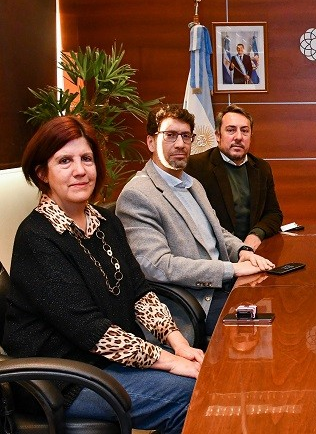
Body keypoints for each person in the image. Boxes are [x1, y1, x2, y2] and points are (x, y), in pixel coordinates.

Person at [4, 116, 199, 433]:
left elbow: (138, 291)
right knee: (191, 396)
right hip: (64, 379)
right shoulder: (37, 238)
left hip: (108, 361)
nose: (80, 170)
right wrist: (170, 362)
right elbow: (92, 331)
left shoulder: (106, 222)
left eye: (86, 159)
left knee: (205, 379)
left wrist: (179, 345)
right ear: (43, 173)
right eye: (64, 161)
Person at [116, 105, 274, 334]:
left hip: (222, 286)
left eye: (186, 136)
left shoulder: (192, 184)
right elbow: (158, 266)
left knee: (275, 298)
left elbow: (215, 231)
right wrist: (230, 269)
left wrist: (243, 250)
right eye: (170, 135)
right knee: (262, 330)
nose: (180, 143)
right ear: (151, 142)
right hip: (192, 303)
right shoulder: (138, 194)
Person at [186, 105, 283, 251]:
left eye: (244, 131)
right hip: (215, 255)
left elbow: (273, 214)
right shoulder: (195, 167)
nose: (238, 137)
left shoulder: (261, 168)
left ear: (251, 136)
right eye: (231, 130)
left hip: (253, 252)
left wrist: (256, 235)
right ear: (218, 136)